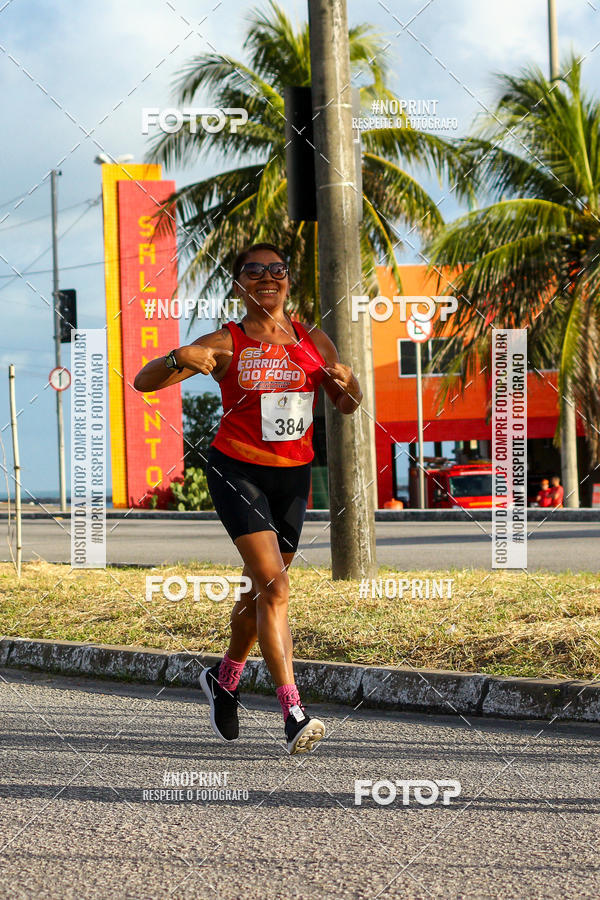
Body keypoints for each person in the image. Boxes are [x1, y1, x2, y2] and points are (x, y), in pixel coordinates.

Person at [133, 243, 363, 754]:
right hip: (236, 470)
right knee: (276, 590)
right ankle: (293, 711)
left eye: (276, 270)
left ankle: (226, 679)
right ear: (239, 284)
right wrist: (176, 357)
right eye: (253, 271)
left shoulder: (312, 340)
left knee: (260, 592)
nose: (267, 278)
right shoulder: (225, 341)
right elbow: (143, 382)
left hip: (293, 477)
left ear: (287, 281)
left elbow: (345, 405)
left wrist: (353, 387)